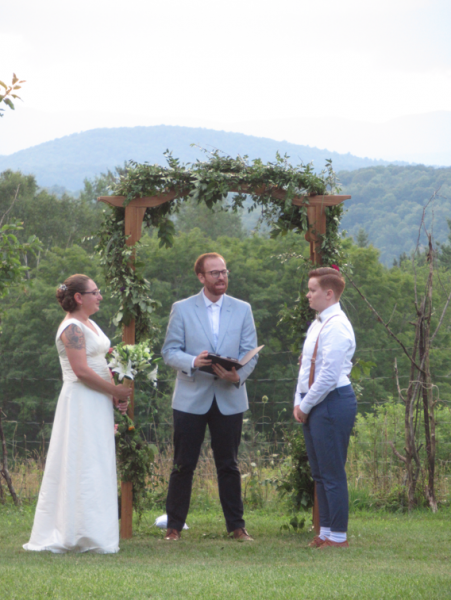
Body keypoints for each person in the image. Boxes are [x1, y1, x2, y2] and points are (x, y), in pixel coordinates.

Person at [23, 274, 131, 553]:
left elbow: (99, 362)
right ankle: (76, 533)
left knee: (97, 460)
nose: (100, 296)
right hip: (81, 400)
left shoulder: (90, 323)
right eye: (95, 292)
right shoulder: (71, 328)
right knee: (81, 461)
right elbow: (81, 370)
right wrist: (113, 390)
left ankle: (96, 531)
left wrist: (114, 395)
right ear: (79, 298)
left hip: (98, 399)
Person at [162, 252, 258, 541]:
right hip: (190, 397)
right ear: (201, 277)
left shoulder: (242, 309)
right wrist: (193, 361)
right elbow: (169, 351)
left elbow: (251, 352)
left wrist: (237, 376)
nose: (221, 277)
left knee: (229, 465)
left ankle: (237, 527)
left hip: (229, 396)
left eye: (224, 272)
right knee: (183, 464)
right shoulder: (182, 309)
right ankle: (173, 526)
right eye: (214, 273)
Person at [293, 267, 357, 549]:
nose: (308, 295)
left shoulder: (337, 326)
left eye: (313, 290)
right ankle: (326, 531)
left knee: (332, 472)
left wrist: (306, 405)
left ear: (329, 293)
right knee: (319, 472)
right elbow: (305, 367)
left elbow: (329, 376)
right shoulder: (318, 323)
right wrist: (298, 401)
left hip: (332, 401)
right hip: (314, 401)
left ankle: (339, 536)